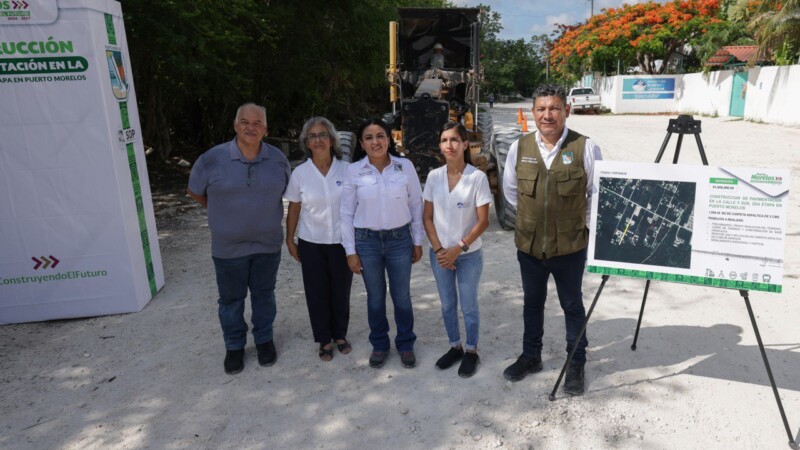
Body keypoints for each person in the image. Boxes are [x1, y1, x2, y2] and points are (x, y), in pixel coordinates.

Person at [501, 84, 603, 395]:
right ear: (533, 113)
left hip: (569, 248)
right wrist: (534, 220)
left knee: (572, 305)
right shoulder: (520, 148)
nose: (548, 115)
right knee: (532, 303)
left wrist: (578, 228)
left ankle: (576, 362)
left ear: (566, 110)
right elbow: (511, 192)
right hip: (530, 247)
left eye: (554, 108)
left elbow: (596, 195)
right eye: (542, 109)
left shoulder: (585, 147)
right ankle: (531, 356)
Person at [187, 103, 290, 375]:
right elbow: (195, 191)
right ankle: (234, 346)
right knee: (231, 300)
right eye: (245, 122)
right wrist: (221, 211)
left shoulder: (278, 159)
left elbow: (287, 192)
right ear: (235, 125)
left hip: (267, 245)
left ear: (266, 128)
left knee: (264, 295)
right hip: (228, 248)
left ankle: (264, 340)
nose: (251, 128)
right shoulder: (212, 159)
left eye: (257, 123)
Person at [340, 118, 424, 369]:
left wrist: (417, 241)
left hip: (400, 240)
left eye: (380, 136)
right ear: (361, 144)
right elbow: (346, 213)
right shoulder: (353, 171)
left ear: (389, 139)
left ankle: (405, 344)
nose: (375, 142)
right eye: (369, 137)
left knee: (402, 296)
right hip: (367, 243)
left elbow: (416, 205)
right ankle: (379, 344)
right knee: (375, 297)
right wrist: (350, 251)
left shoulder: (404, 166)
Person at [423, 122, 492, 378]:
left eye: (454, 140)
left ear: (465, 144)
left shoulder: (477, 178)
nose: (449, 145)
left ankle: (471, 350)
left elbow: (483, 221)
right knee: (447, 305)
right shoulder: (434, 177)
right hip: (440, 255)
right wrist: (440, 250)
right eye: (444, 140)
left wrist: (458, 249)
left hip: (469, 256)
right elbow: (427, 217)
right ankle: (455, 346)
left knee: (469, 305)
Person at [284, 117, 353, 362]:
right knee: (317, 292)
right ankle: (324, 339)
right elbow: (294, 207)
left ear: (332, 140)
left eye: (323, 134)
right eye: (312, 136)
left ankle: (340, 335)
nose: (318, 140)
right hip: (311, 242)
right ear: (306, 143)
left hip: (342, 242)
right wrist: (289, 240)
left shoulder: (347, 170)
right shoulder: (300, 173)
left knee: (341, 290)